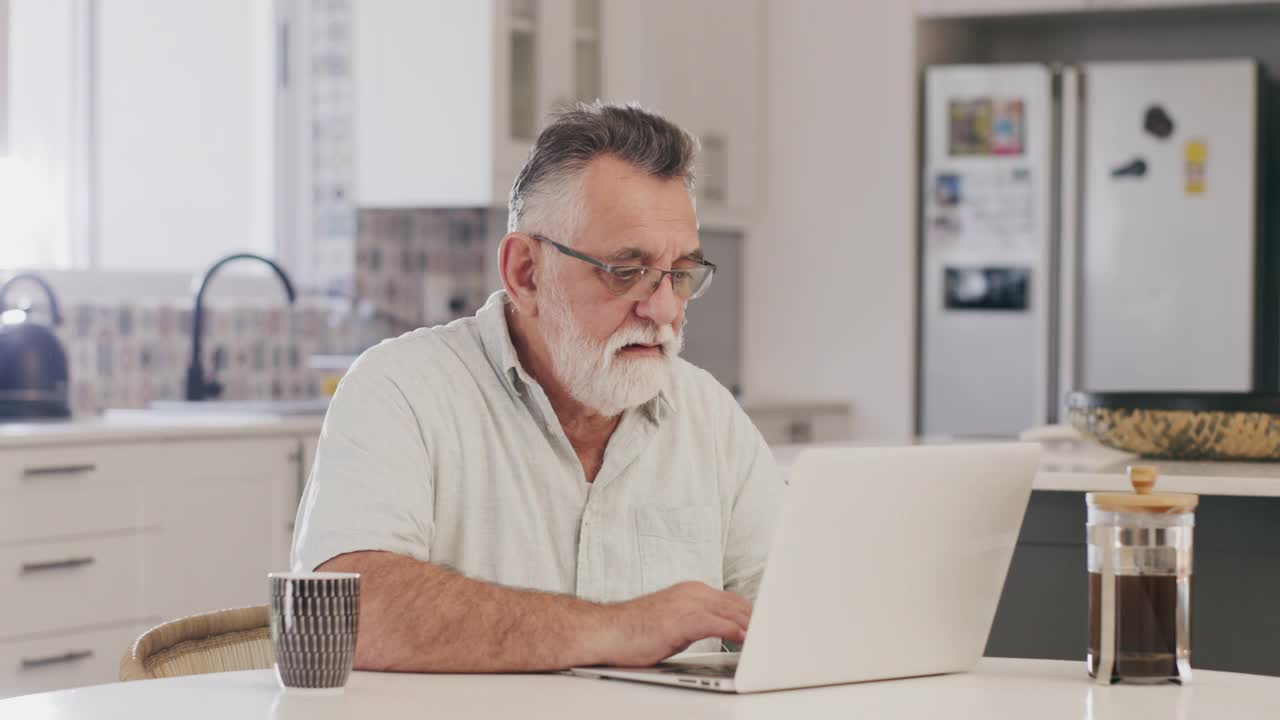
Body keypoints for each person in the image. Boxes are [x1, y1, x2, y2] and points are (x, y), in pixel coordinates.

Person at [292, 101, 781, 673]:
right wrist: (619, 627)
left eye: (681, 274)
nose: (663, 307)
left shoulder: (710, 418)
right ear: (526, 272)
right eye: (626, 270)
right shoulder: (402, 391)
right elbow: (344, 613)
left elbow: (797, 612)